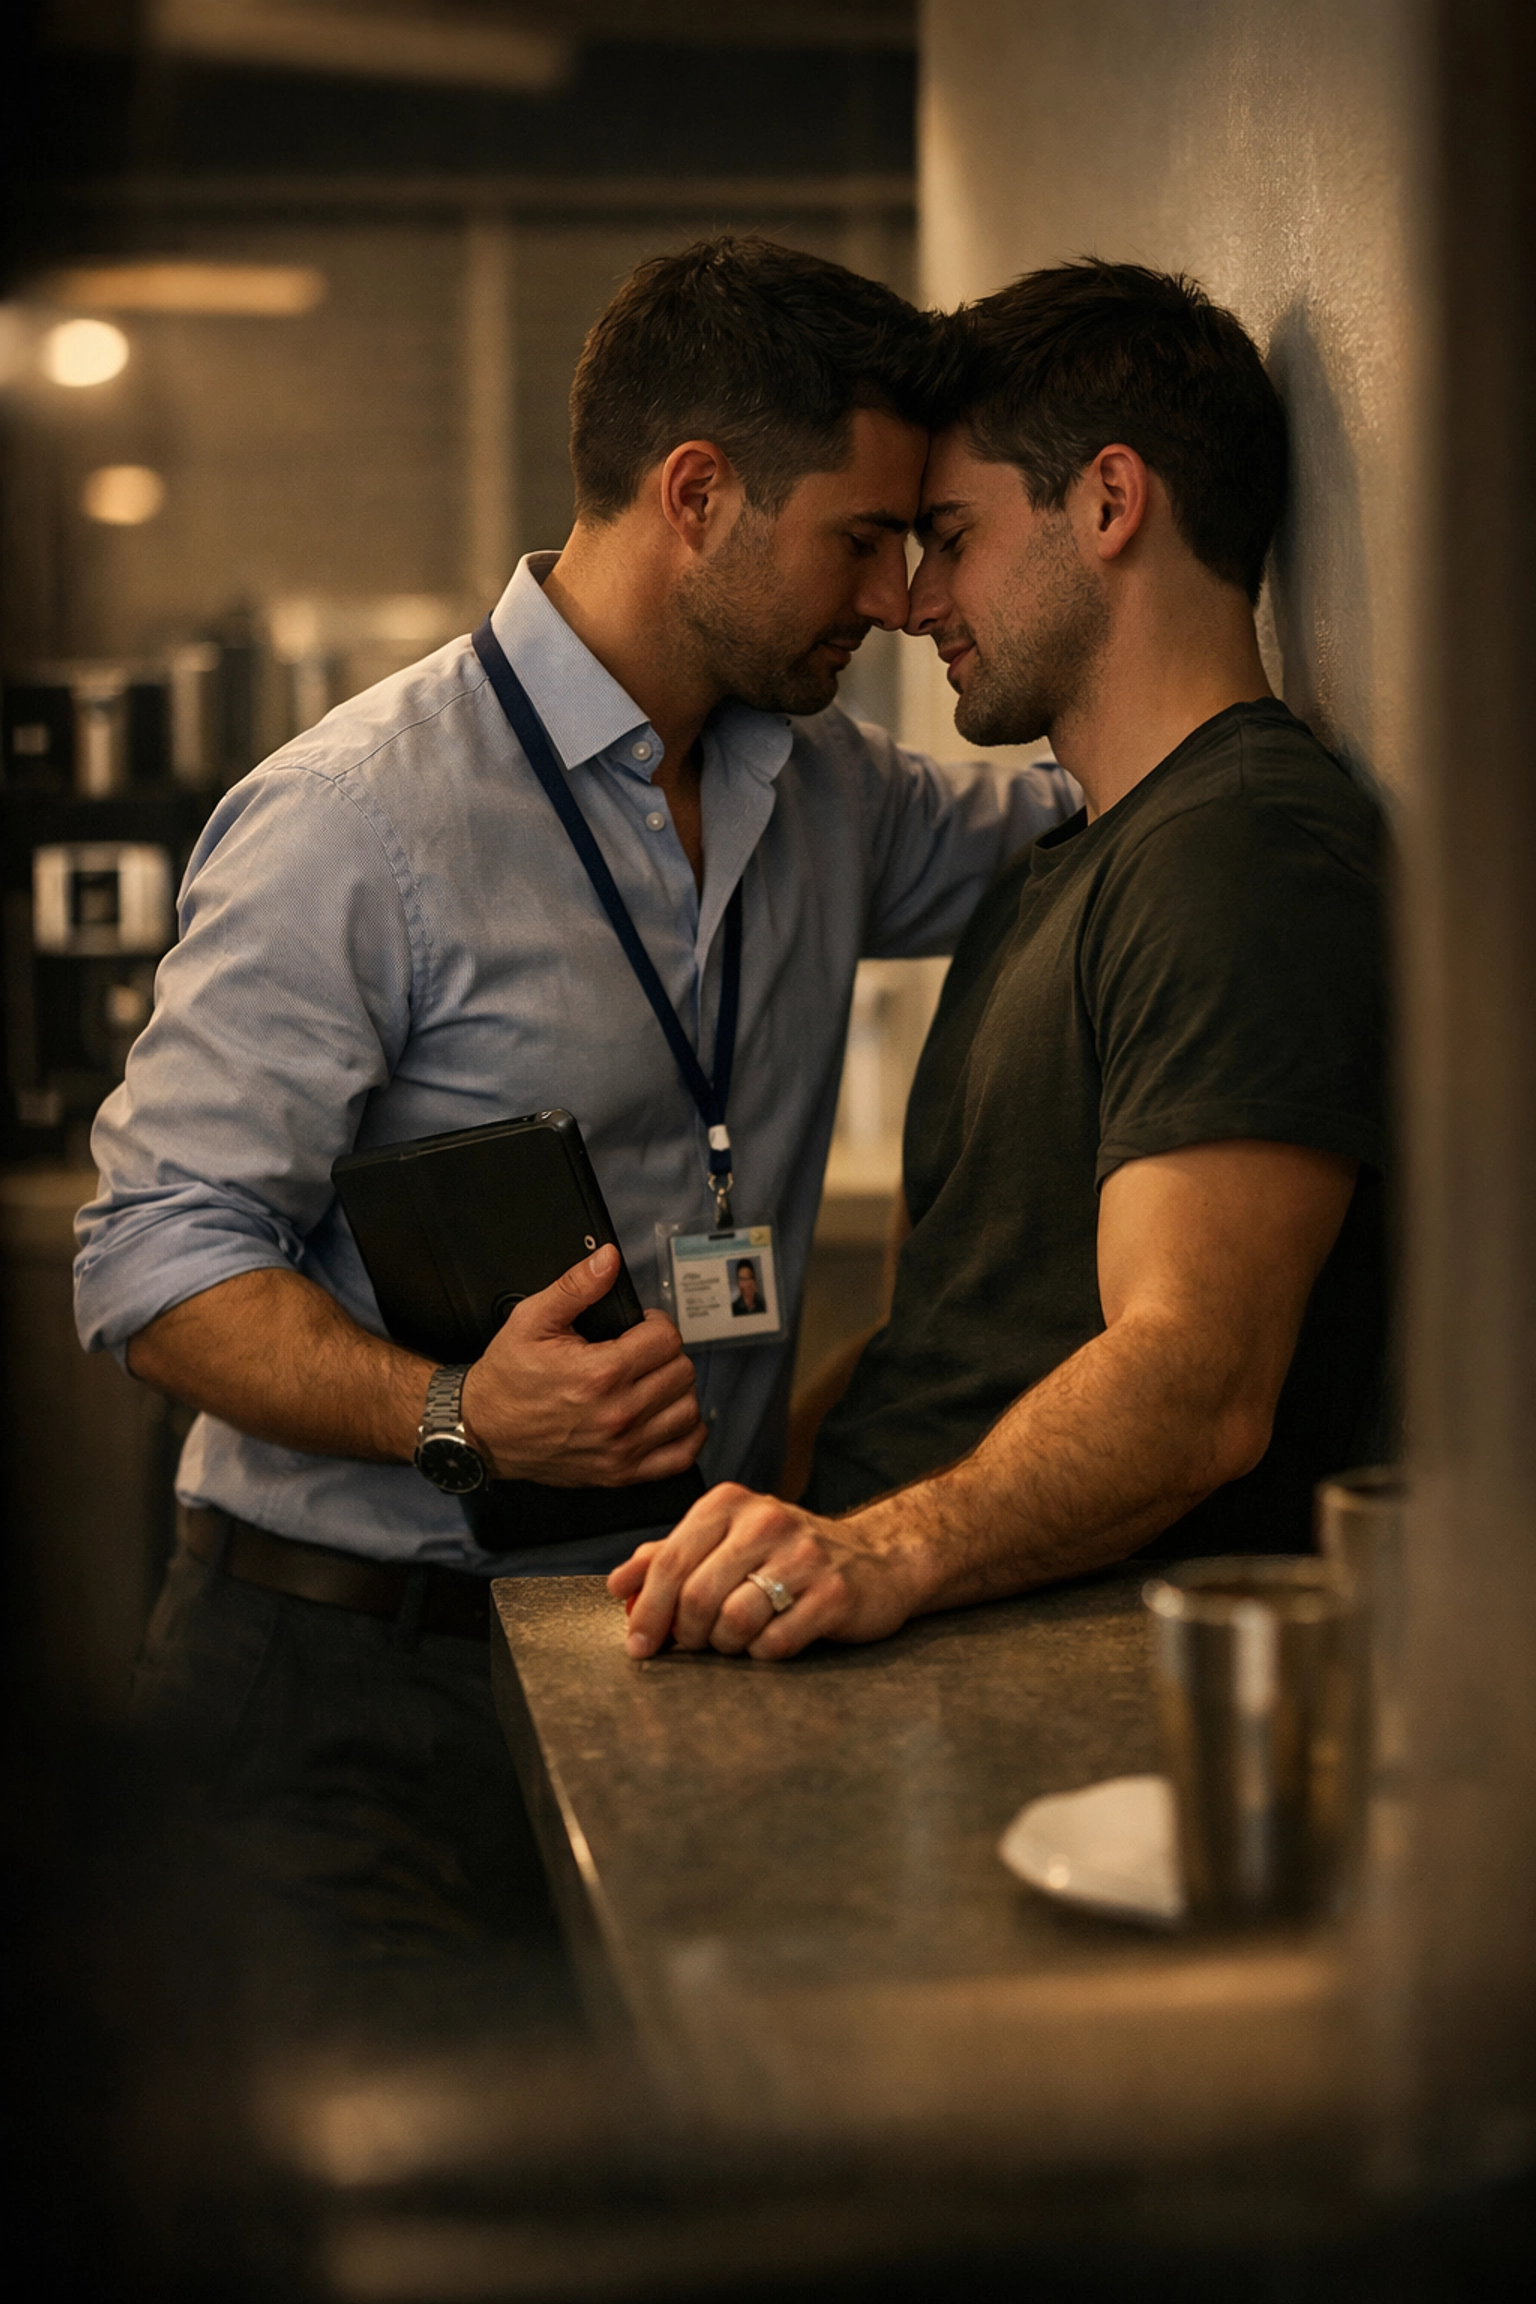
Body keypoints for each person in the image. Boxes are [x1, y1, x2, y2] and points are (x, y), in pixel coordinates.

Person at [76, 236, 1075, 1964]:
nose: (901, 599)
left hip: (657, 1674)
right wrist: (458, 1413)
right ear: (698, 494)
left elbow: (1096, 811)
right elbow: (150, 1263)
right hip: (344, 1694)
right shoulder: (353, 820)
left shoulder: (828, 790)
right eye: (862, 538)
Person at [614, 260, 1390, 1666]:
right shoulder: (1068, 860)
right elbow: (955, 1332)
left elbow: (1197, 1382)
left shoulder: (1247, 856)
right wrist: (753, 1505)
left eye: (952, 535)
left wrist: (874, 1548)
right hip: (878, 1635)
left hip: (1023, 1664)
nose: (911, 601)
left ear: (1108, 503)